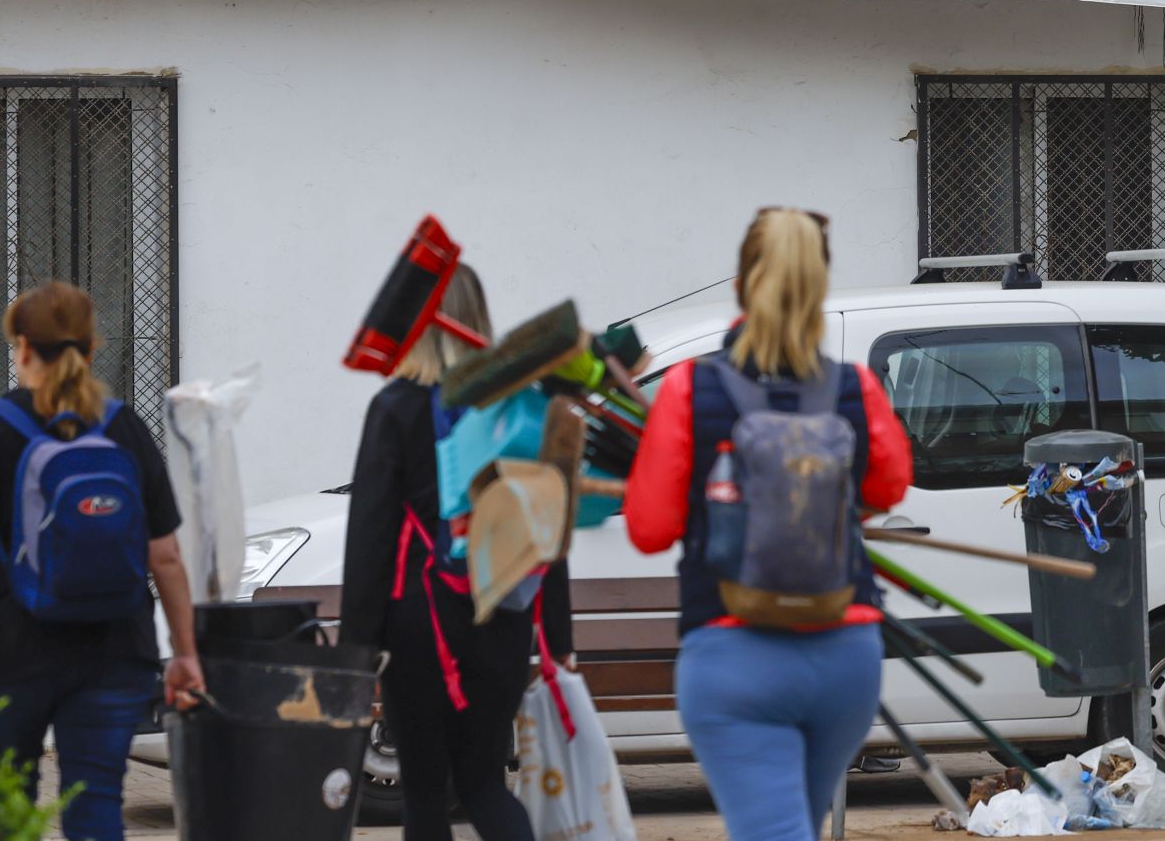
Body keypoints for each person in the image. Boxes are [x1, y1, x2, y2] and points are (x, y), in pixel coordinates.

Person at [624, 208, 914, 841]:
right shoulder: (854, 389)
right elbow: (887, 486)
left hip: (734, 655)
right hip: (845, 654)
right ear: (818, 289)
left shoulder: (690, 390)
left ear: (739, 286)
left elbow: (648, 527)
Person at [0, 281, 203, 841]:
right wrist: (185, 653)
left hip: (11, 651)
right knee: (96, 809)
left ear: (23, 347)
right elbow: (166, 557)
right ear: (91, 349)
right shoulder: (124, 426)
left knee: (4, 809)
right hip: (115, 651)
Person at [340, 263, 574, 841]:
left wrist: (357, 649)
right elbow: (548, 521)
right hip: (502, 610)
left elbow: (370, 532)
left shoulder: (395, 407)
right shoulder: (516, 408)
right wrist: (559, 640)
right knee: (484, 784)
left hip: (418, 623)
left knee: (424, 790)